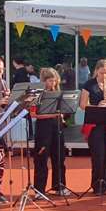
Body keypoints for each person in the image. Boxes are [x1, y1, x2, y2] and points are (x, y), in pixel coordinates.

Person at [79, 59, 106, 195]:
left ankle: (105, 184)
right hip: (95, 124)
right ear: (96, 71)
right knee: (98, 156)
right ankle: (96, 185)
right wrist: (96, 106)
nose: (104, 76)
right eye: (101, 73)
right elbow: (82, 105)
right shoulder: (89, 84)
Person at [32, 68, 68, 197]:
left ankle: (60, 186)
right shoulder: (37, 94)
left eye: (54, 81)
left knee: (59, 158)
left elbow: (65, 110)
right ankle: (39, 190)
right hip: (43, 130)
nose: (52, 83)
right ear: (44, 81)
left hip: (57, 127)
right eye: (50, 81)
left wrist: (62, 115)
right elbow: (33, 114)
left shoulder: (58, 93)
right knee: (41, 159)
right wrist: (52, 114)